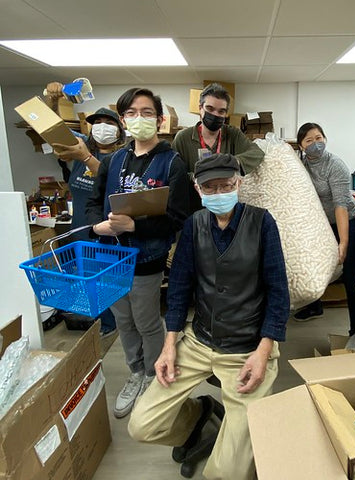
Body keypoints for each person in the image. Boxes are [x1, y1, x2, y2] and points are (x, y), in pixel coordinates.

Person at [128, 153, 290, 480]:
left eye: (226, 185)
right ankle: (198, 415)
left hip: (248, 348)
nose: (219, 193)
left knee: (228, 471)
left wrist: (263, 352)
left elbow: (278, 292)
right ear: (198, 189)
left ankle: (233, 438)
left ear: (239, 183)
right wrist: (170, 344)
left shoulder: (263, 223)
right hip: (200, 341)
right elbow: (179, 287)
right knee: (141, 426)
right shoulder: (193, 225)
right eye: (210, 188)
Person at [85, 87, 190, 419]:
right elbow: (91, 203)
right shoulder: (112, 161)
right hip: (111, 258)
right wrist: (96, 227)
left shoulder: (171, 163)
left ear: (159, 120)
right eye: (131, 113)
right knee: (124, 320)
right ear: (122, 120)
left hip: (146, 259)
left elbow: (178, 218)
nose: (138, 119)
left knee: (146, 321)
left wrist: (136, 228)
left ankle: (154, 374)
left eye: (146, 112)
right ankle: (136, 372)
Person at [44, 82, 127, 337]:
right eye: (97, 121)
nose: (102, 126)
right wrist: (54, 100)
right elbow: (51, 131)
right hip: (78, 231)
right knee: (83, 280)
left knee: (105, 283)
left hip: (107, 235)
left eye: (109, 122)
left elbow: (110, 183)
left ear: (119, 130)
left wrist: (86, 158)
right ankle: (95, 323)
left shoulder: (123, 159)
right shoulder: (79, 148)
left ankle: (110, 325)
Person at [294, 123, 355, 336]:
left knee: (353, 277)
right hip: (322, 225)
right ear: (301, 145)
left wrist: (343, 242)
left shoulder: (335, 165)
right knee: (315, 269)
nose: (315, 144)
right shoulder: (301, 165)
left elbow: (340, 206)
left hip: (349, 223)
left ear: (325, 139)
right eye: (309, 140)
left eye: (319, 138)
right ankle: (315, 305)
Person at [172, 82, 265, 213]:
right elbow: (175, 175)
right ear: (200, 108)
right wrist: (198, 177)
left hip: (226, 208)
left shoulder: (233, 134)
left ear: (226, 114)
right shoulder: (183, 138)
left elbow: (256, 153)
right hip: (193, 209)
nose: (215, 114)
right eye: (210, 109)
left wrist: (233, 162)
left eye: (221, 111)